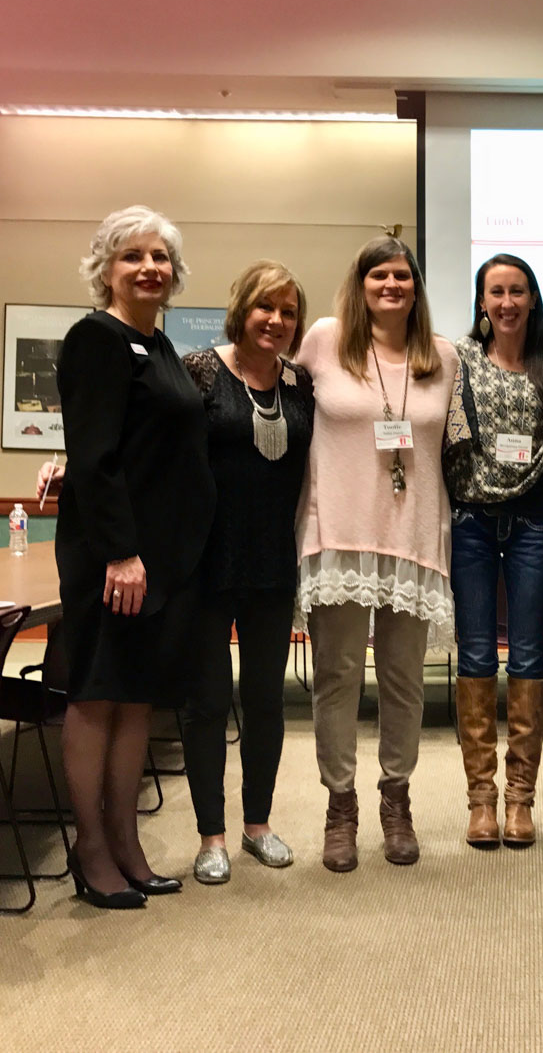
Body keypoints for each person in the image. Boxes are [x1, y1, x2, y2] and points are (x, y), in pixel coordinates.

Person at [53, 205, 215, 907]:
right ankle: (90, 849)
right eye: (132, 256)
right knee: (98, 696)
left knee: (135, 699)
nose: (150, 267)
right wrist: (121, 553)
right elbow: (94, 457)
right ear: (106, 269)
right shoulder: (97, 339)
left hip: (162, 565)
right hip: (114, 561)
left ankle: (126, 841)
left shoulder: (161, 346)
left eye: (160, 256)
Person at [295, 236, 458, 872]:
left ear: (416, 287)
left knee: (404, 680)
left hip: (412, 537)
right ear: (360, 285)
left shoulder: (441, 356)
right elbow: (266, 395)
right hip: (337, 534)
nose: (392, 285)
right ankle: (340, 806)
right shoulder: (325, 340)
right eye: (379, 276)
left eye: (402, 276)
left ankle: (397, 801)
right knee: (336, 677)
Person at [179, 261, 314, 884]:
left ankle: (257, 825)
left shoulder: (301, 384)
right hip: (206, 563)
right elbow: (153, 446)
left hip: (272, 563)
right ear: (242, 309)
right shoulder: (200, 371)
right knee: (207, 702)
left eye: (288, 311)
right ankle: (211, 835)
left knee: (265, 701)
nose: (276, 320)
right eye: (266, 307)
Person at [444, 253, 543, 848]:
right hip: (470, 520)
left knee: (528, 657)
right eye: (496, 292)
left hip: (534, 523)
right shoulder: (457, 359)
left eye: (517, 291)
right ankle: (481, 801)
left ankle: (520, 800)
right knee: (476, 654)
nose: (506, 302)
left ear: (532, 299)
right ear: (482, 301)